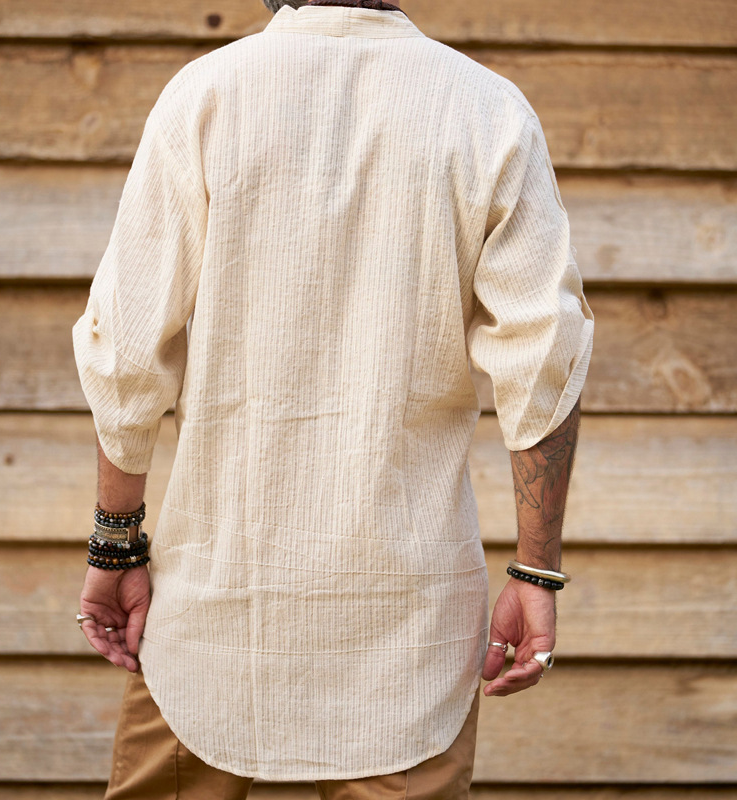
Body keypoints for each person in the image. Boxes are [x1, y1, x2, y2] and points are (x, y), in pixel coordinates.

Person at [72, 0, 594, 796]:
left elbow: (127, 355)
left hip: (214, 609)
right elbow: (545, 360)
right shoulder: (487, 110)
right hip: (407, 633)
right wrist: (537, 574)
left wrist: (115, 546)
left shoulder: (205, 97)